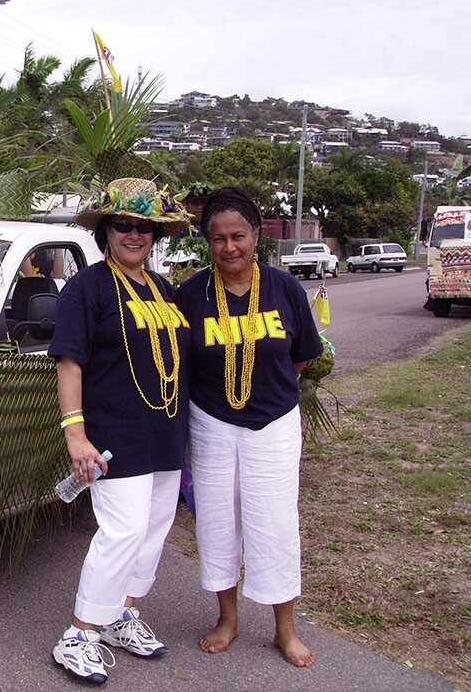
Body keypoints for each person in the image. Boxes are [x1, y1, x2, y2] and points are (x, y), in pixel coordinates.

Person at [48, 178, 192, 684]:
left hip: (165, 434)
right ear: (107, 230)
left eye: (144, 227)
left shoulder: (163, 288)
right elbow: (70, 363)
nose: (134, 235)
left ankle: (120, 615)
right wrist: (75, 435)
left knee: (151, 532)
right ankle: (80, 634)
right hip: (113, 437)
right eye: (123, 225)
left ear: (155, 235)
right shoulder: (86, 288)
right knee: (122, 531)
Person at [174, 186, 324, 668]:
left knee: (275, 523)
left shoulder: (285, 289)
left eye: (238, 235)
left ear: (256, 235)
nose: (229, 247)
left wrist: (267, 393)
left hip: (275, 424)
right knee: (217, 521)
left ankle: (285, 628)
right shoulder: (191, 295)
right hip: (212, 424)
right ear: (207, 242)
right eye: (218, 238)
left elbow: (301, 357)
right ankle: (228, 619)